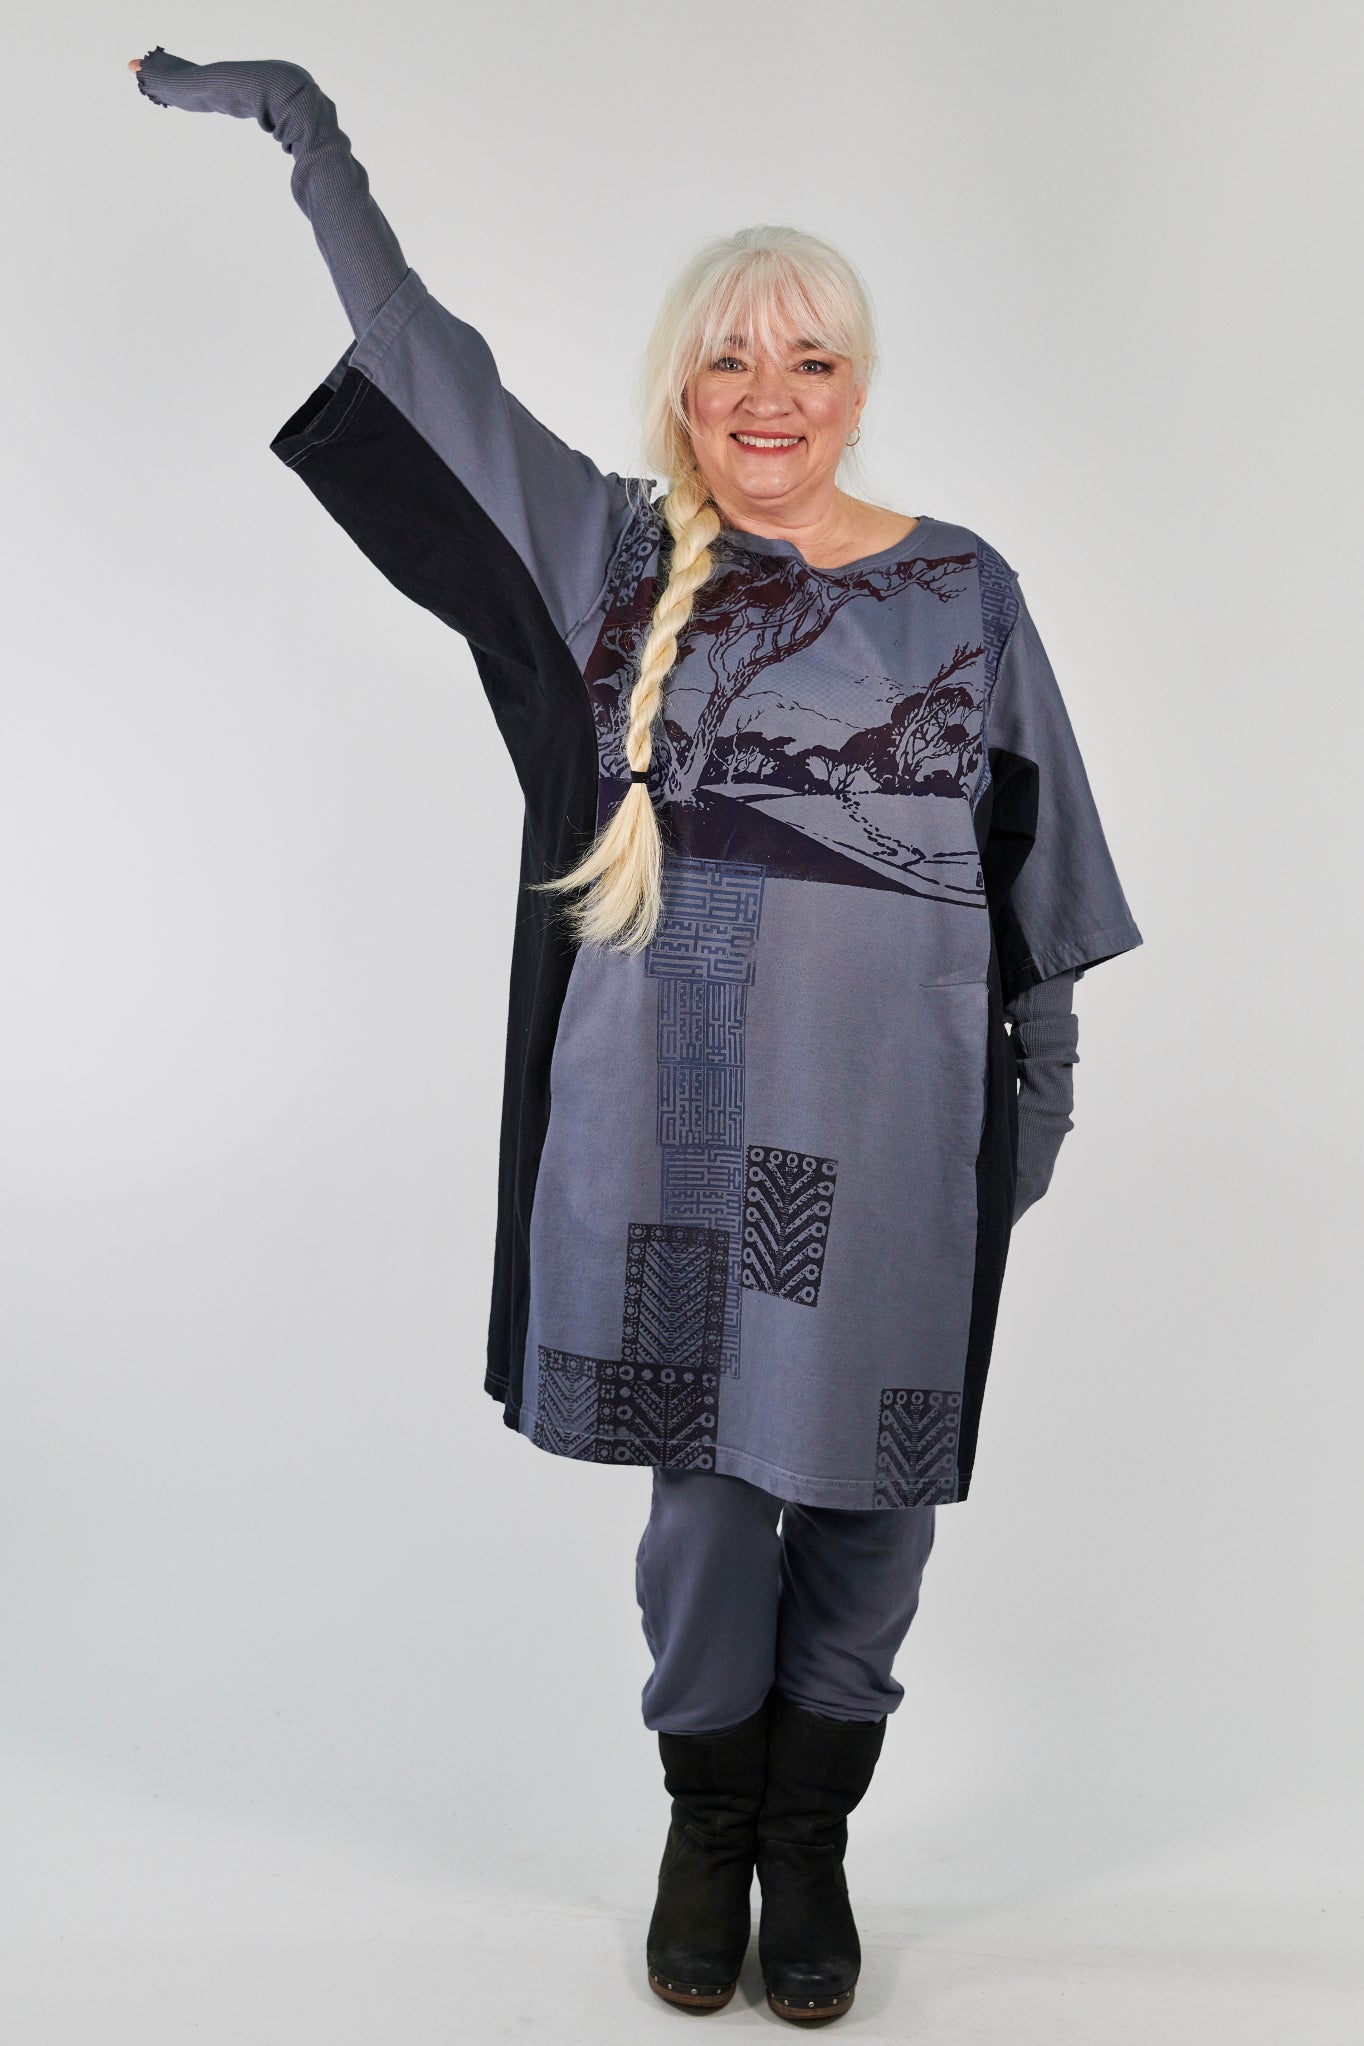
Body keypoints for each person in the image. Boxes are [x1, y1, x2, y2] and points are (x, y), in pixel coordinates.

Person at [129, 48, 1143, 2025]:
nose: (771, 396)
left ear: (858, 383)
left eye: (810, 361)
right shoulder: (615, 563)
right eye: (730, 360)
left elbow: (1039, 866)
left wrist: (1040, 1107)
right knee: (710, 1505)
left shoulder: (965, 591)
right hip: (678, 1140)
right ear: (682, 386)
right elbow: (422, 359)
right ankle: (707, 1821)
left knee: (873, 1500)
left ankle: (810, 1833)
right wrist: (310, 138)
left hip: (901, 1126)